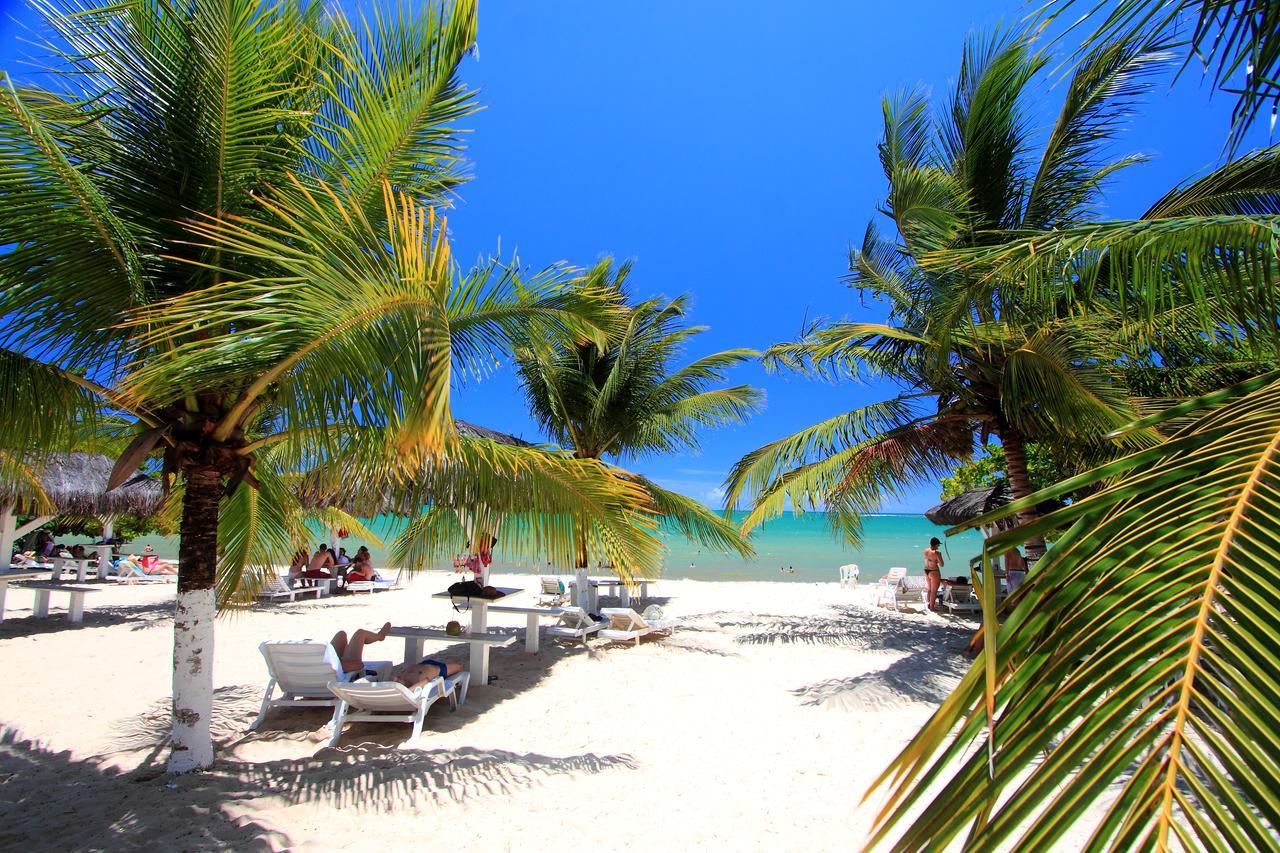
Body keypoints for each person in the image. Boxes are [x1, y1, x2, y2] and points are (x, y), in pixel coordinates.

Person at [390, 655, 464, 688]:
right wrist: (409, 690)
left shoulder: (403, 680)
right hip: (439, 670)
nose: (395, 678)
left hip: (423, 664)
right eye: (397, 682)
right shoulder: (413, 687)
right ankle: (459, 683)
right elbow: (426, 680)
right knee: (459, 667)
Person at [923, 537, 945, 612]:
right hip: (934, 571)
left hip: (926, 570)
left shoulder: (926, 550)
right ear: (936, 545)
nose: (938, 546)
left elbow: (928, 559)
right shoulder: (937, 553)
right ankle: (932, 607)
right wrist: (939, 557)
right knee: (934, 590)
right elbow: (942, 564)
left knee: (929, 589)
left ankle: (929, 603)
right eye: (938, 545)